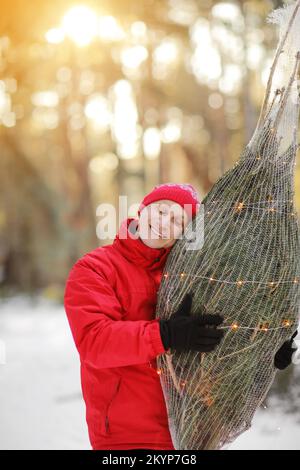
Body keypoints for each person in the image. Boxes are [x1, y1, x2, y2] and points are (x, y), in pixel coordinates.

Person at [64, 182, 298, 451]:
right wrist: (166, 334)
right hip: (126, 436)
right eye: (162, 211)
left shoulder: (194, 280)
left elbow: (224, 340)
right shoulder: (96, 269)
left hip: (193, 433)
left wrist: (267, 352)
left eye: (178, 221)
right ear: (142, 210)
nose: (165, 223)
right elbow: (95, 342)